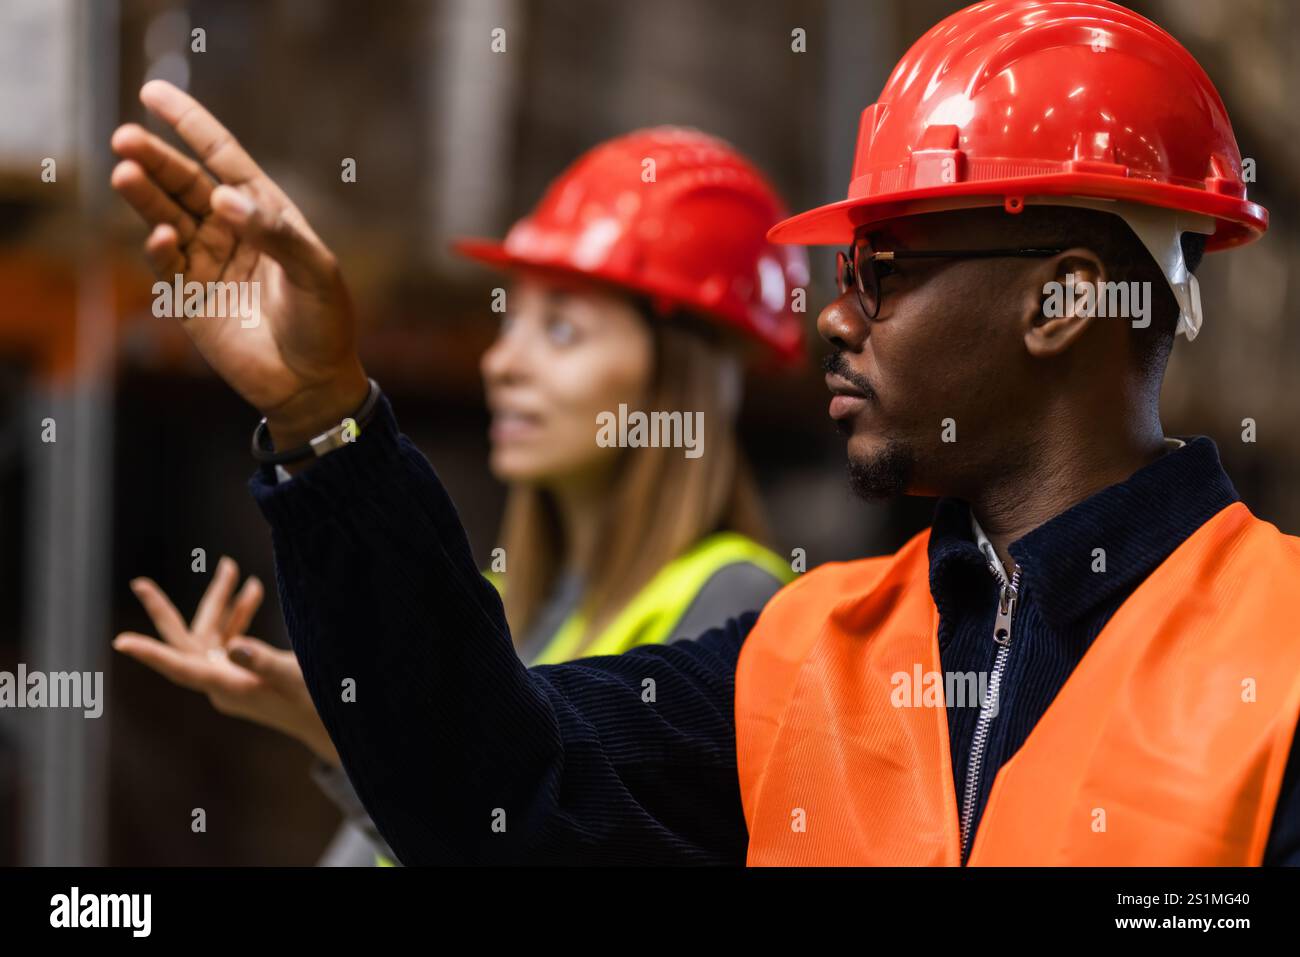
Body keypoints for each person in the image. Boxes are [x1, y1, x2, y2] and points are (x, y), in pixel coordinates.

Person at [111, 0, 1300, 865]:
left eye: (880, 269)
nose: (833, 318)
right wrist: (324, 418)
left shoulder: (1280, 655)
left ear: (1061, 301)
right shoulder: (802, 656)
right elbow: (489, 788)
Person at [111, 128, 806, 864]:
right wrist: (355, 724)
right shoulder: (497, 604)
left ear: (678, 380)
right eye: (510, 321)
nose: (502, 361)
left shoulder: (740, 603)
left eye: (563, 329)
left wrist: (356, 733)